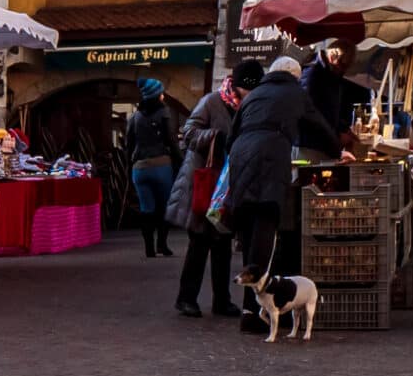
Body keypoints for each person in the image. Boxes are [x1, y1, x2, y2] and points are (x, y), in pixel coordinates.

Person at [215, 53, 341, 335]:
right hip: (270, 158)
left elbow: (233, 135)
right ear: (295, 76)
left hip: (241, 158)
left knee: (248, 237)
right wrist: (337, 150)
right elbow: (319, 126)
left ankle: (252, 308)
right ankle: (256, 312)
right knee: (265, 236)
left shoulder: (254, 94)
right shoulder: (296, 92)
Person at [174, 59, 261, 317]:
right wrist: (213, 137)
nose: (251, 95)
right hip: (205, 180)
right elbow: (188, 133)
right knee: (199, 243)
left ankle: (221, 301)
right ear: (237, 85)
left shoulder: (249, 107)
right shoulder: (212, 102)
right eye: (249, 89)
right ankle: (186, 299)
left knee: (222, 242)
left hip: (228, 184)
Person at [122, 80, 180, 260]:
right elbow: (171, 140)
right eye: (161, 92)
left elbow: (128, 144)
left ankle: (149, 249)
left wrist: (128, 166)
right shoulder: (164, 112)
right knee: (164, 208)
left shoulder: (134, 117)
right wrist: (180, 160)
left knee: (146, 209)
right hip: (161, 165)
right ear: (157, 94)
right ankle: (162, 245)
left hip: (140, 169)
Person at [300, 38, 369, 152]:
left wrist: (345, 129)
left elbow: (331, 111)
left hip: (323, 143)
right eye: (343, 66)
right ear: (333, 57)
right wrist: (337, 136)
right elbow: (312, 114)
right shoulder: (313, 74)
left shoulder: (331, 75)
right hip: (310, 145)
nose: (344, 71)